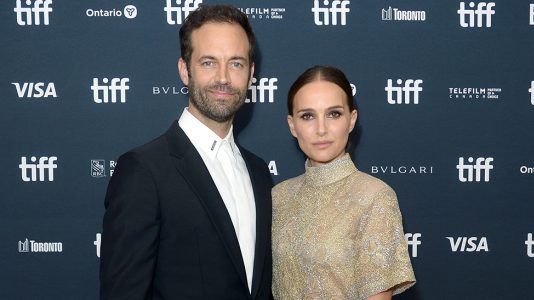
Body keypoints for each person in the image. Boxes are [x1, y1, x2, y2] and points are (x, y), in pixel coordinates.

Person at [100, 5, 272, 300]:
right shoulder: (144, 171)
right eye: (208, 63)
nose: (223, 78)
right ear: (184, 69)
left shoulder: (259, 172)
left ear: (251, 73)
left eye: (236, 63)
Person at [272, 66, 415, 300]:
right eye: (308, 116)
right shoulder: (278, 196)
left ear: (351, 120)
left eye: (334, 114)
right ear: (292, 126)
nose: (321, 129)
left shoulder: (375, 197)